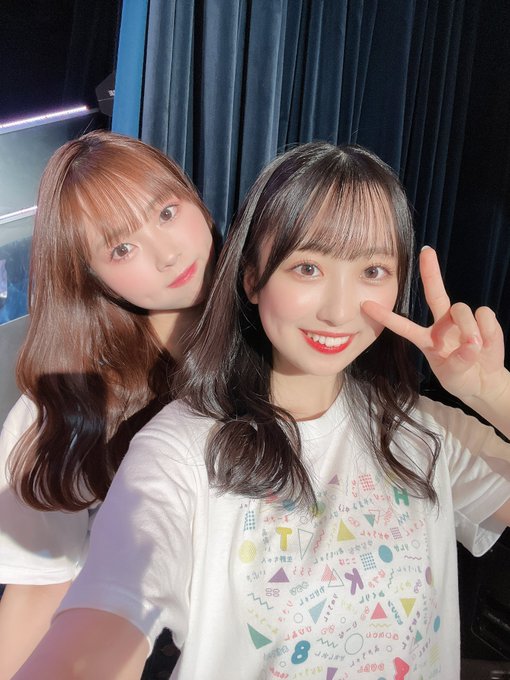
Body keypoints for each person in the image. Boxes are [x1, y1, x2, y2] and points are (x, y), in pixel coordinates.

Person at [13, 142, 510, 680]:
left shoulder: (415, 428)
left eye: (372, 270)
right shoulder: (152, 440)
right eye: (307, 268)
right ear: (252, 278)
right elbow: (74, 613)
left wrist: (491, 393)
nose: (339, 310)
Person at [0, 129, 217, 678]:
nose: (168, 254)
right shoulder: (66, 409)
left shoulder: (281, 343)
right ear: (90, 275)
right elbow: (38, 595)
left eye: (166, 213)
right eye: (122, 248)